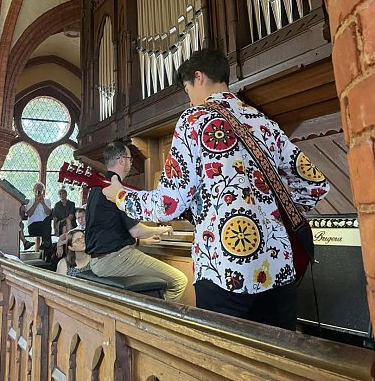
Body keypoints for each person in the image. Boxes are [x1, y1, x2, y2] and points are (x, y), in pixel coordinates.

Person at [103, 49, 330, 330]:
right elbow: (315, 186)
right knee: (276, 365)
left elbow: (169, 204)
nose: (189, 97)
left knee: (226, 366)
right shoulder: (264, 123)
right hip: (280, 268)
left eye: (187, 89)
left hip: (225, 269)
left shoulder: (194, 120)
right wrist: (269, 210)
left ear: (198, 77)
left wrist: (121, 196)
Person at [85, 140, 188, 302]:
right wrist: (161, 229)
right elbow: (136, 230)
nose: (130, 163)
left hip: (99, 261)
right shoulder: (117, 188)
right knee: (179, 280)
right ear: (121, 160)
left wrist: (142, 242)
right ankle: (154, 323)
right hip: (115, 259)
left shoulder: (97, 187)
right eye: (130, 159)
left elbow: (109, 228)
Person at [25, 182, 52, 254]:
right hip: (34, 227)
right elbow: (29, 214)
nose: (39, 191)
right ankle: (46, 247)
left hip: (45, 227)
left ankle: (46, 245)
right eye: (37, 189)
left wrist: (43, 203)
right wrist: (36, 203)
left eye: (41, 189)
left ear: (43, 191)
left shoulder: (47, 200)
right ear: (34, 190)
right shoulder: (31, 201)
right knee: (47, 232)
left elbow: (48, 213)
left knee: (47, 220)